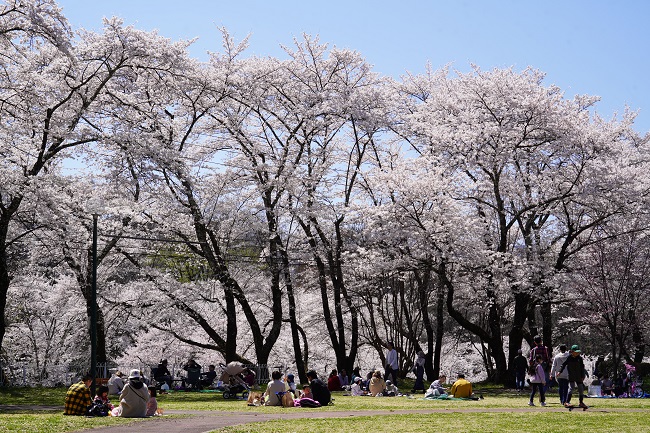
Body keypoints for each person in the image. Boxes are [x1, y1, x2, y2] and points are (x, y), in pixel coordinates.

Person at [559, 344, 588, 409]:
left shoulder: (580, 358)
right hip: (571, 375)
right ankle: (567, 402)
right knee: (571, 388)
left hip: (578, 376)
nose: (577, 353)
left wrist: (582, 375)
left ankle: (581, 402)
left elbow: (582, 367)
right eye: (576, 352)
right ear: (572, 352)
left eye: (578, 352)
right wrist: (559, 371)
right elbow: (563, 365)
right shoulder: (569, 358)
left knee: (581, 389)